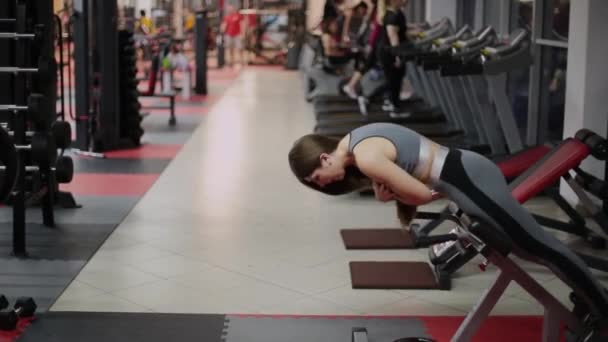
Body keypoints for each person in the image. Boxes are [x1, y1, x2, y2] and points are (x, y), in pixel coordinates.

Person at [287, 122, 608, 316]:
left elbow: (421, 194)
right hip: (464, 172)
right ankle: (586, 298)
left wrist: (391, 197)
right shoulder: (355, 139)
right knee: (526, 249)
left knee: (539, 246)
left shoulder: (367, 157)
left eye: (316, 177)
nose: (321, 183)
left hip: (465, 178)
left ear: (325, 157)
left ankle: (601, 305)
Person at [375, 0, 409, 115]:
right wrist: (397, 56)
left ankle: (390, 103)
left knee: (395, 79)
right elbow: (393, 38)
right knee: (394, 80)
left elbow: (401, 31)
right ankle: (394, 108)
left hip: (388, 51)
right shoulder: (391, 17)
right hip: (389, 53)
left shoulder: (396, 13)